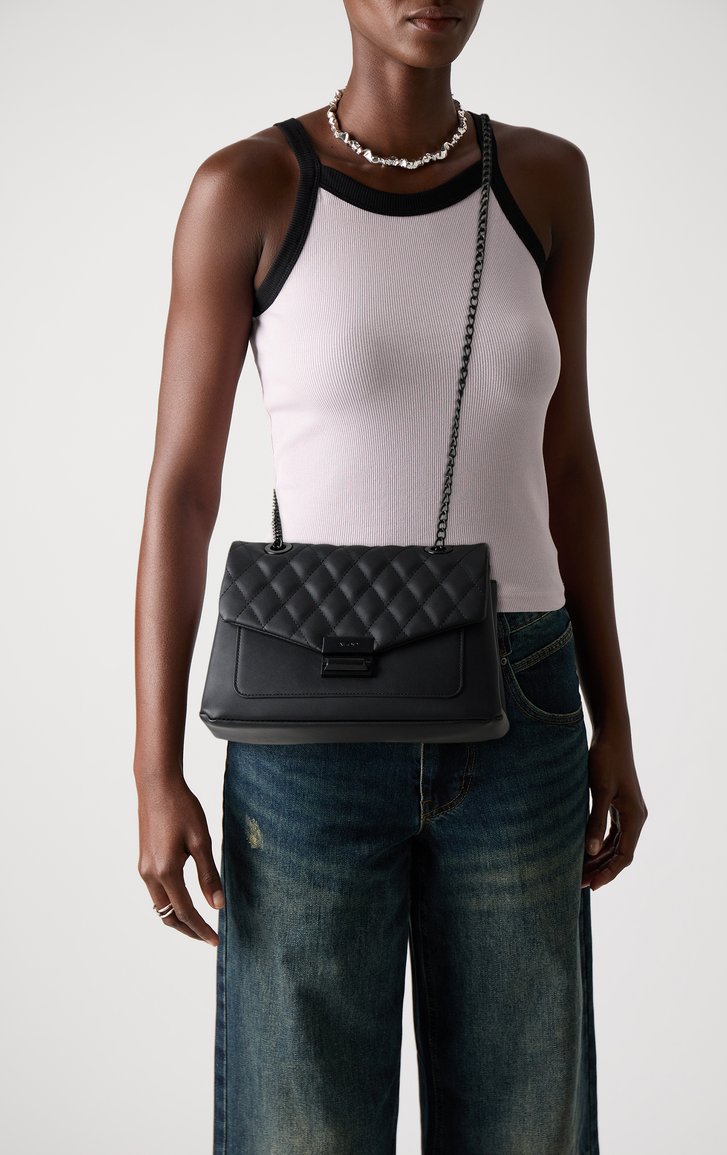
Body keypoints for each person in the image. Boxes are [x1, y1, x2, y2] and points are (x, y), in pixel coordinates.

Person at [133, 2, 648, 1151]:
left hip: (522, 704)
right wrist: (152, 769)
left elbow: (567, 465)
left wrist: (612, 721)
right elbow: (181, 492)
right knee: (298, 1128)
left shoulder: (545, 182)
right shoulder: (247, 188)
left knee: (526, 1124)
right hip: (308, 718)